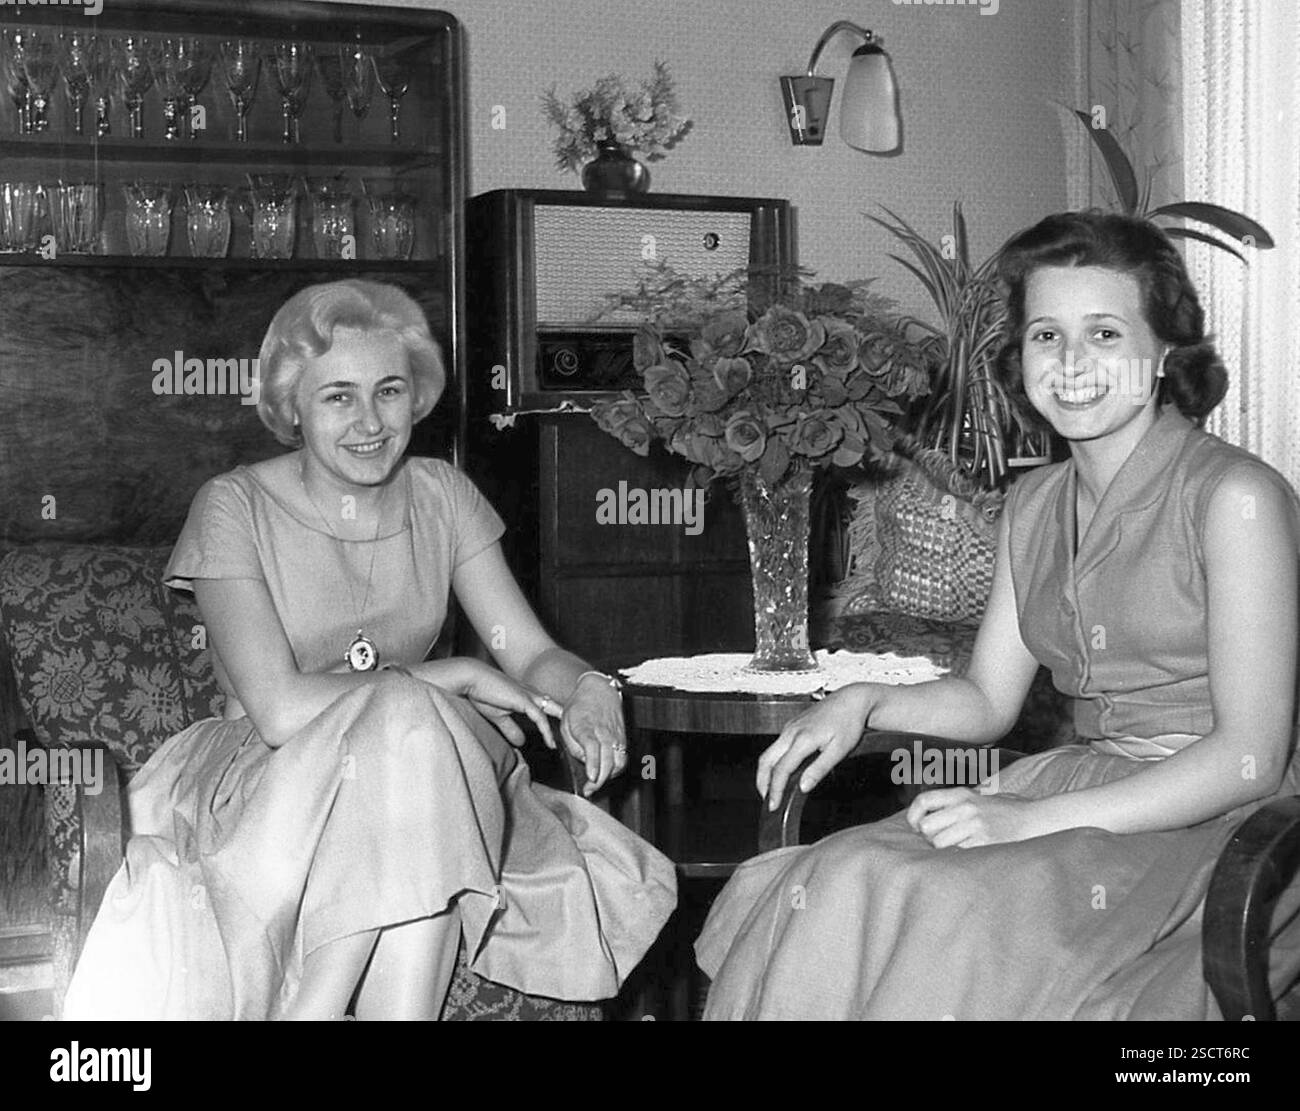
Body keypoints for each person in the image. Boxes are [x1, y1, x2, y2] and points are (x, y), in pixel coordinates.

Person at [695, 210, 1300, 1020]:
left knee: (945, 915)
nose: (1073, 362)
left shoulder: (1235, 497)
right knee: (840, 875)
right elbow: (986, 702)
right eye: (1047, 336)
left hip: (1211, 824)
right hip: (1084, 786)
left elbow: (1249, 758)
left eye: (1107, 334)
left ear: (1163, 354)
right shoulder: (1033, 501)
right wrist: (865, 699)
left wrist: (1030, 820)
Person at [65, 279, 676, 1020]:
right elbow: (280, 709)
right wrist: (449, 673)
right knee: (411, 719)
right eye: (337, 397)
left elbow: (531, 653)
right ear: (291, 407)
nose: (369, 421)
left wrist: (588, 687)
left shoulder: (442, 495)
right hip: (270, 790)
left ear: (415, 397)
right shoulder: (233, 506)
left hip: (419, 779)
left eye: (389, 391)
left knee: (410, 735)